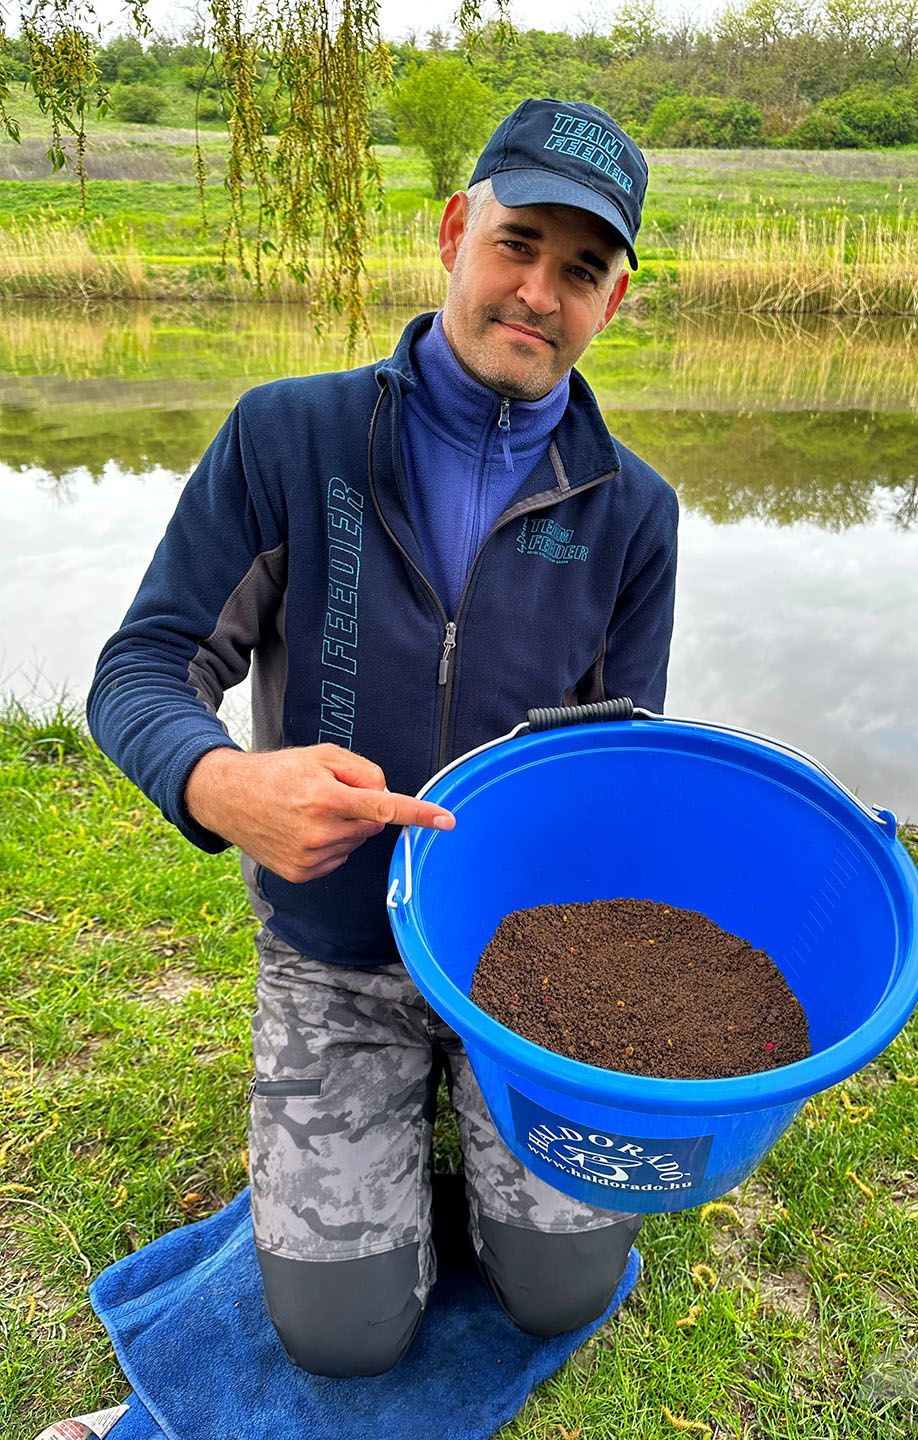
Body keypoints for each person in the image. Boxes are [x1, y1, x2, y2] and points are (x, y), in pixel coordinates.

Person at [87, 98, 679, 1379]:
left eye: (581, 270)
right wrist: (219, 780)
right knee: (343, 1338)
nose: (537, 292)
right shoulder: (287, 435)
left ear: (613, 303)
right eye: (518, 243)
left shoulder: (637, 513)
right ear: (459, 231)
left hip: (527, 979)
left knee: (560, 1295)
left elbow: (620, 763)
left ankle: (471, 1111)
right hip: (332, 950)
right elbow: (141, 669)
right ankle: (376, 1128)